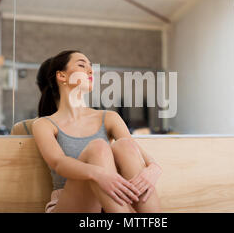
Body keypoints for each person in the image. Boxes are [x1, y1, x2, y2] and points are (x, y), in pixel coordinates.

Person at [32, 50, 163, 213]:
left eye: (91, 67)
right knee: (98, 147)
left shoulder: (109, 117)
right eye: (82, 65)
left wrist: (153, 169)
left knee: (124, 145)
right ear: (62, 76)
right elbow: (58, 163)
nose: (90, 70)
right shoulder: (44, 124)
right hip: (67, 204)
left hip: (109, 203)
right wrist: (98, 173)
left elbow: (138, 153)